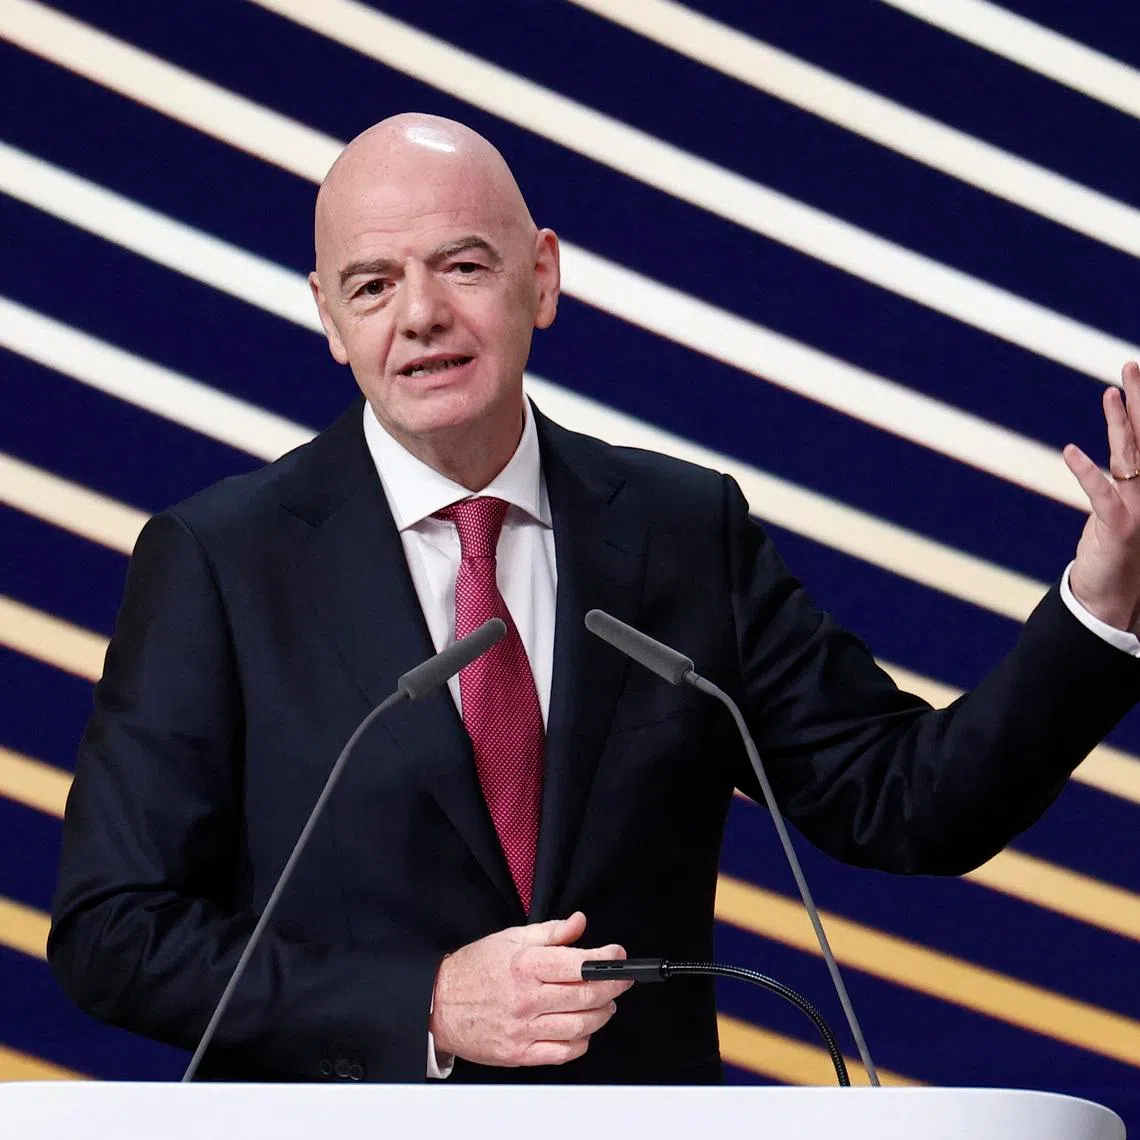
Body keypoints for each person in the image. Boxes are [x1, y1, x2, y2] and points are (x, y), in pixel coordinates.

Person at [48, 114, 1140, 1085]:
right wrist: (423, 1002)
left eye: (462, 265)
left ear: (542, 278)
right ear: (331, 320)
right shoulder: (222, 560)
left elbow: (908, 802)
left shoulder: (681, 530)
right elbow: (115, 931)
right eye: (374, 284)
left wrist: (1100, 604)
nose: (419, 315)